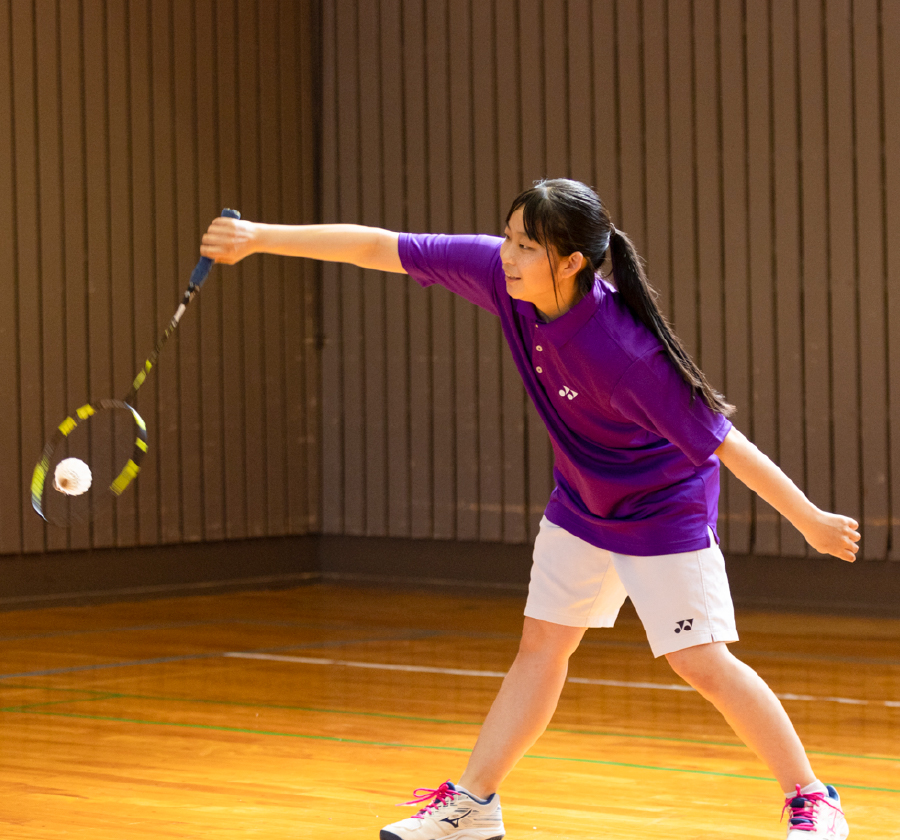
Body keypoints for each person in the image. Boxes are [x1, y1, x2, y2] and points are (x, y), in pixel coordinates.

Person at [201, 179, 859, 840]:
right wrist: (260, 238)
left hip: (661, 509)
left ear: (571, 263)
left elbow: (728, 444)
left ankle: (812, 796)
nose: (507, 255)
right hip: (582, 501)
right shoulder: (503, 279)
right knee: (541, 646)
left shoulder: (627, 353)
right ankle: (475, 805)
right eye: (510, 238)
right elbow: (380, 247)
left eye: (526, 246)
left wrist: (809, 519)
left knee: (700, 662)